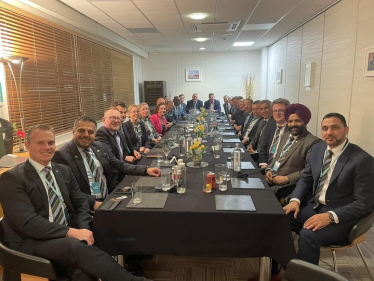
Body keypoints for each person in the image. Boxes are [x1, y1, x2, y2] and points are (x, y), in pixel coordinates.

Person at [0, 124, 152, 281]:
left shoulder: (63, 171)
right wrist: (71, 233)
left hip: (64, 234)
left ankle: (135, 264)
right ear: (27, 145)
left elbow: (81, 204)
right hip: (31, 240)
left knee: (87, 265)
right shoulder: (13, 178)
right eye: (40, 143)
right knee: (75, 247)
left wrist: (82, 230)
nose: (47, 147)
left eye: (51, 143)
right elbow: (28, 223)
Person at [282, 112, 374, 267]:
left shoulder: (362, 160)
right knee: (278, 219)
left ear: (346, 130)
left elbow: (364, 203)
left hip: (341, 217)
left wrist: (331, 216)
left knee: (308, 234)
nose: (329, 132)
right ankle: (281, 267)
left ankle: (302, 277)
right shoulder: (318, 149)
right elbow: (306, 178)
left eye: (335, 128)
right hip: (314, 206)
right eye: (325, 128)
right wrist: (295, 200)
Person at [53, 116, 160, 210]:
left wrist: (145, 170)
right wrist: (94, 203)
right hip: (87, 207)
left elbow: (119, 165)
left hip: (109, 196)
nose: (86, 135)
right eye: (82, 130)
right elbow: (68, 191)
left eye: (90, 132)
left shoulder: (98, 146)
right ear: (73, 132)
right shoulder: (61, 155)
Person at [265, 104, 321, 195]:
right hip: (272, 178)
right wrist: (269, 170)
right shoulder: (285, 136)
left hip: (288, 186)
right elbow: (277, 158)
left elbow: (310, 170)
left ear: (305, 122)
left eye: (297, 121)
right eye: (290, 121)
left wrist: (287, 178)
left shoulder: (313, 142)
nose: (293, 124)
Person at [258, 98, 290, 168]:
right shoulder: (271, 124)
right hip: (265, 166)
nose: (277, 113)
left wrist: (272, 170)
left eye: (281, 110)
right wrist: (263, 165)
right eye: (275, 111)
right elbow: (263, 147)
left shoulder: (291, 130)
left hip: (280, 170)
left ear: (288, 112)